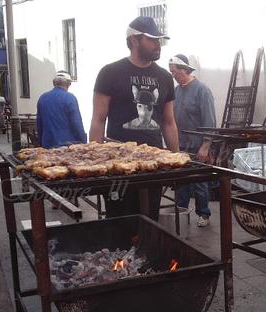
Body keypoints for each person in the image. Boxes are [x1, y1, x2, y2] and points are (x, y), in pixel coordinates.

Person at [90, 16, 179, 221]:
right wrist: (96, 165)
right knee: (119, 224)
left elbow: (168, 122)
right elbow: (98, 120)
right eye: (153, 39)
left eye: (159, 40)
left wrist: (175, 160)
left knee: (150, 222)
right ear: (134, 40)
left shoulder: (165, 77)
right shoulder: (110, 73)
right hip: (119, 166)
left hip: (154, 166)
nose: (158, 44)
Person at [169, 54, 216, 227]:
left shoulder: (202, 90)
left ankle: (203, 214)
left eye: (174, 72)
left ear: (184, 70)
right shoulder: (177, 91)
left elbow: (209, 120)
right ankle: (182, 211)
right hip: (181, 144)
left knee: (199, 182)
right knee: (181, 181)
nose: (173, 76)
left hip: (197, 145)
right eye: (171, 73)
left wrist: (206, 145)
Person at [36, 71, 86, 148]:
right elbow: (77, 124)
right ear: (68, 84)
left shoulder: (43, 98)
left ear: (54, 83)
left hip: (47, 145)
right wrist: (84, 142)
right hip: (67, 146)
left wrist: (40, 143)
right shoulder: (70, 98)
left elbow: (39, 125)